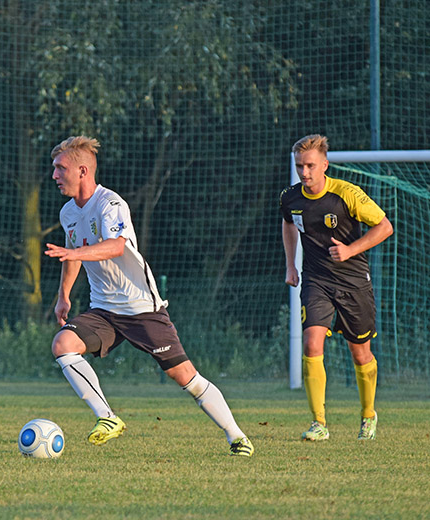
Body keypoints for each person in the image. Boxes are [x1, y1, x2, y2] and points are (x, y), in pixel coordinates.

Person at [44, 135, 253, 457]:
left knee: (185, 377)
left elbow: (117, 246)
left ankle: (237, 436)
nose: (55, 175)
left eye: (60, 168)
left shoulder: (110, 204)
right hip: (104, 310)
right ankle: (107, 418)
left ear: (82, 170)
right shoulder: (68, 212)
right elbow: (73, 254)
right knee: (63, 345)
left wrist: (77, 253)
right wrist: (63, 297)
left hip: (141, 308)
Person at [280, 134, 392, 441]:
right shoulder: (290, 198)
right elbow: (289, 223)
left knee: (360, 354)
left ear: (324, 165)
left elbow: (385, 227)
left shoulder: (346, 194)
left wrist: (350, 250)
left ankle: (368, 415)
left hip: (353, 282)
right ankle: (319, 423)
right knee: (311, 343)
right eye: (300, 165)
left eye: (310, 166)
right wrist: (291, 264)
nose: (304, 172)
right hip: (316, 280)